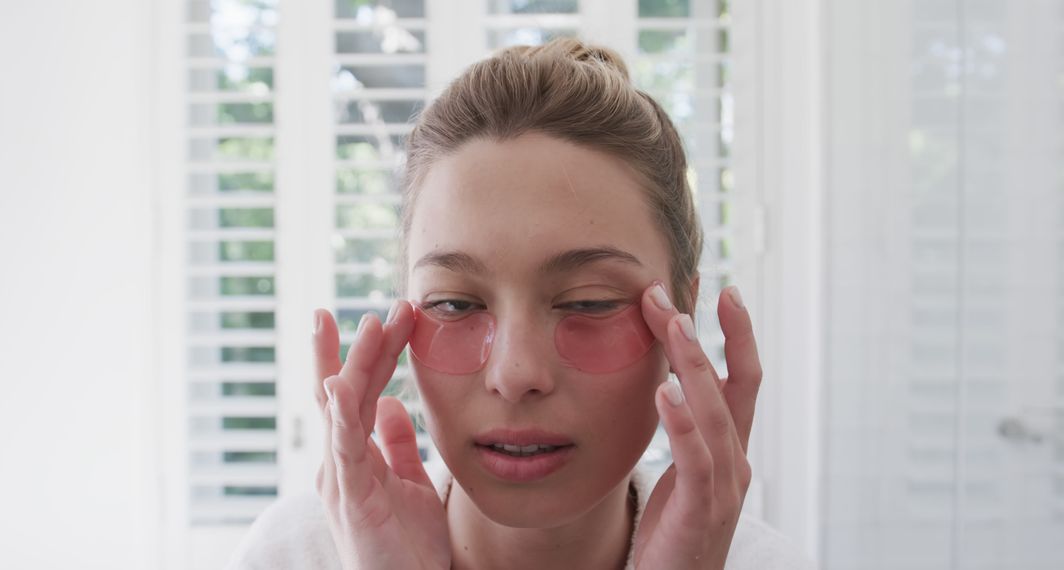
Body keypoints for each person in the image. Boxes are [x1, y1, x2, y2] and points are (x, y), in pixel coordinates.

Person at [226, 38, 815, 570]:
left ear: (681, 319)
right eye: (455, 305)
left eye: (588, 303)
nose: (515, 374)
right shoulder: (291, 555)